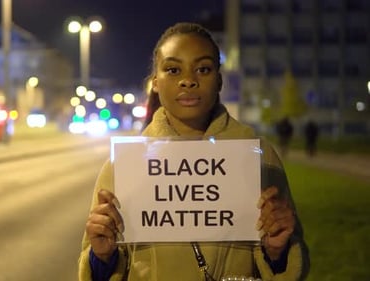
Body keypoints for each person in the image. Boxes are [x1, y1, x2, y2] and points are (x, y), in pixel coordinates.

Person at [78, 22, 309, 281]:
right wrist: (102, 257)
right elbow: (99, 265)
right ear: (155, 81)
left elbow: (288, 264)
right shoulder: (124, 165)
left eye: (203, 69)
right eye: (173, 69)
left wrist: (277, 250)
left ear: (219, 79)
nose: (188, 81)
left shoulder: (258, 157)